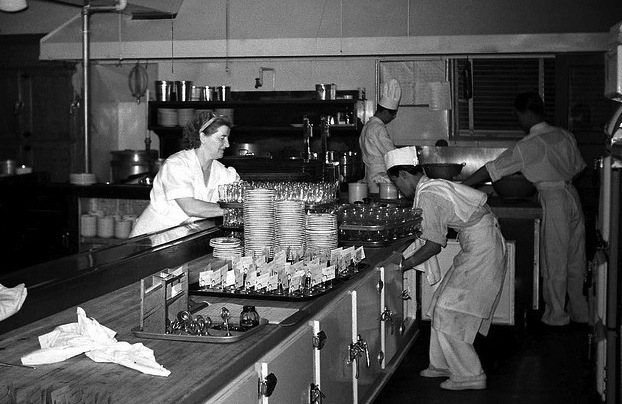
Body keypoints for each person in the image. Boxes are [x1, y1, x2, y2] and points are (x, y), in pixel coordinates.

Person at [461, 91, 588, 327]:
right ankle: (580, 311)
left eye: (518, 116)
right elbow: (579, 167)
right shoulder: (564, 135)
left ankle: (557, 315)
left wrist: (462, 186)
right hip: (573, 197)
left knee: (555, 258)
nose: (518, 121)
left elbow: (492, 169)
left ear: (527, 113)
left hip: (554, 200)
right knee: (576, 256)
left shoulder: (528, 144)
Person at [385, 146, 507, 391]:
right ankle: (442, 363)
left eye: (397, 184)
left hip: (483, 248)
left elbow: (434, 245)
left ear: (404, 176)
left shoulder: (427, 195)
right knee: (440, 301)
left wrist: (404, 264)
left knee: (449, 310)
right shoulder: (430, 185)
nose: (399, 190)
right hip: (479, 242)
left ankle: (470, 374)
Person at [130, 111, 239, 236]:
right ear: (203, 137)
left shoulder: (220, 172)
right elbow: (191, 208)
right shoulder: (176, 165)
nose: (227, 144)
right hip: (153, 237)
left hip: (181, 237)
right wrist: (234, 209)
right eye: (222, 138)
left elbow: (241, 192)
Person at [359, 78, 401, 194]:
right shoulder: (378, 128)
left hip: (370, 174)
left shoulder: (367, 125)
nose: (391, 119)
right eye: (392, 116)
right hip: (380, 176)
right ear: (386, 112)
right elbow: (391, 152)